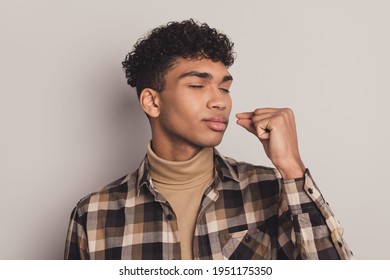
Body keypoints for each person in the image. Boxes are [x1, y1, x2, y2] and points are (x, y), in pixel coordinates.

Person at [64, 19, 352, 260]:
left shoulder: (272, 189)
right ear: (152, 102)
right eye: (197, 85)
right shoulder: (94, 215)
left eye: (224, 88)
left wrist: (292, 167)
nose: (219, 101)